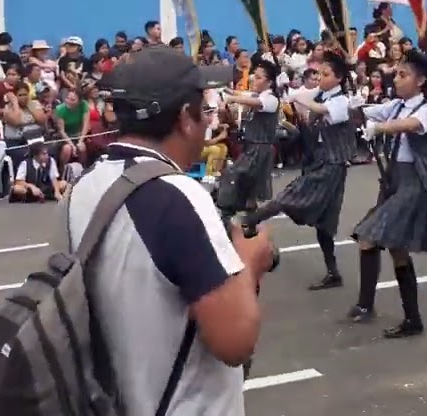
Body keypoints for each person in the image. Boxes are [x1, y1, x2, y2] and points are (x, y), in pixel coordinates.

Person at [66, 45, 274, 414]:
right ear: (184, 118)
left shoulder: (86, 185)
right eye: (205, 110)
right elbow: (235, 341)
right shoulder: (179, 195)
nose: (210, 121)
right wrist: (249, 263)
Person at [347, 52, 427, 338]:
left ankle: (369, 306)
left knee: (370, 237)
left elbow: (410, 125)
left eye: (404, 75)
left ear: (421, 80)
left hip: (415, 184)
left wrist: (379, 128)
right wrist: (357, 107)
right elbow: (369, 112)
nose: (397, 80)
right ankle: (410, 319)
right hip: (393, 182)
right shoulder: (396, 105)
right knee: (394, 248)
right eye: (397, 74)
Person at [243, 50, 355, 291]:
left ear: (339, 78)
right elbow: (304, 95)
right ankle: (333, 272)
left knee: (290, 196)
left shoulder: (340, 101)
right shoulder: (322, 93)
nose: (319, 78)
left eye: (325, 74)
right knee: (324, 225)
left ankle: (249, 221)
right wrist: (286, 86)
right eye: (318, 73)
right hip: (319, 162)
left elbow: (319, 108)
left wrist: (293, 95)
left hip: (332, 166)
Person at [214, 57, 281, 221]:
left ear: (269, 82)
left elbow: (253, 101)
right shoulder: (256, 94)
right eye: (254, 76)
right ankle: (249, 223)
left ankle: (227, 214)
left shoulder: (270, 99)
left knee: (234, 175)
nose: (253, 80)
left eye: (258, 77)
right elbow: (240, 94)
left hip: (260, 148)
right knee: (249, 188)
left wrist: (232, 99)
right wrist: (223, 89)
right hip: (250, 146)